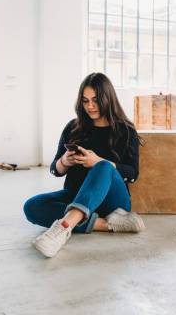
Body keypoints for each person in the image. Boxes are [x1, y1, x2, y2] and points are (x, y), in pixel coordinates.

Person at [23, 72, 144, 258]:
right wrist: (65, 160)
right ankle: (107, 224)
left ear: (108, 99)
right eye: (85, 101)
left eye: (95, 100)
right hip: (76, 196)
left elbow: (132, 173)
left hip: (113, 203)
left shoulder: (125, 130)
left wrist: (97, 162)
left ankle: (63, 229)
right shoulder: (73, 127)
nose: (90, 106)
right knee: (32, 206)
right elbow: (56, 169)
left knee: (103, 166)